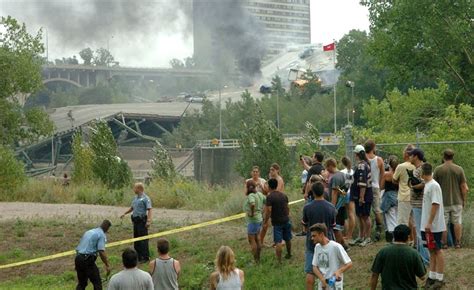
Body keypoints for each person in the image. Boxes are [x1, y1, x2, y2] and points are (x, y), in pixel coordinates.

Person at [302, 182, 337, 290]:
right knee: (329, 271)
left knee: (310, 271)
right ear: (324, 191)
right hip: (327, 242)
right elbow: (333, 225)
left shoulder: (307, 207)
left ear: (312, 192)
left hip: (311, 242)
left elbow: (304, 223)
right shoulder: (331, 207)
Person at [370, 224, 426, 290]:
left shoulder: (383, 252)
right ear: (408, 237)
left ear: (394, 236)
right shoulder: (414, 253)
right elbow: (422, 277)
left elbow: (374, 274)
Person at [433, 149, 469, 248]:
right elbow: (463, 186)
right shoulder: (459, 169)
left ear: (443, 156)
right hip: (457, 200)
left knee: (443, 223)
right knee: (457, 222)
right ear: (453, 157)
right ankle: (457, 243)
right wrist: (463, 200)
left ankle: (444, 244)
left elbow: (434, 186)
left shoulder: (438, 169)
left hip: (443, 201)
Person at [420, 162, 447, 289]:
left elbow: (435, 204)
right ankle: (432, 276)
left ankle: (440, 278)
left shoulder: (434, 186)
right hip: (426, 224)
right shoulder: (427, 185)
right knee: (431, 250)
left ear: (423, 173)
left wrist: (430, 222)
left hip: (433, 225)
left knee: (437, 249)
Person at [311, 223, 352, 290]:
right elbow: (314, 267)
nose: (312, 238)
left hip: (335, 285)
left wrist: (339, 271)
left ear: (321, 234)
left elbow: (349, 263)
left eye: (314, 236)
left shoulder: (336, 247)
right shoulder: (317, 247)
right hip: (322, 285)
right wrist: (322, 279)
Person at [121, 182, 153, 263]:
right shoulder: (135, 198)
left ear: (139, 189)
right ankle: (138, 256)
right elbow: (132, 208)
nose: (133, 189)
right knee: (137, 240)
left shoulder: (146, 198)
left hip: (142, 221)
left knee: (143, 239)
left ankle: (145, 257)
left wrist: (149, 221)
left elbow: (149, 209)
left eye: (135, 188)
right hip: (135, 222)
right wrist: (125, 213)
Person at [75, 220, 112, 290]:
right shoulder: (101, 235)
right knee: (97, 283)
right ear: (107, 228)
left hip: (78, 258)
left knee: (82, 283)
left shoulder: (89, 232)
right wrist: (107, 265)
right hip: (87, 260)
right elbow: (101, 251)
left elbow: (79, 247)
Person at [408, 148, 430, 265]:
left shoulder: (421, 168)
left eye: (411, 155)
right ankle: (422, 256)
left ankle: (424, 259)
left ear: (416, 156)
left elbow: (423, 183)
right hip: (418, 204)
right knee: (420, 231)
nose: (409, 157)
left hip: (420, 204)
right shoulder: (419, 168)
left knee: (421, 232)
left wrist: (413, 186)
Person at [348, 145, 373, 247]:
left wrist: (362, 197)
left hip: (364, 196)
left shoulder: (362, 166)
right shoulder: (364, 164)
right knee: (360, 216)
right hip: (359, 195)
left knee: (365, 216)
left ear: (357, 154)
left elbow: (362, 183)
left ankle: (367, 237)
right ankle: (361, 236)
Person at [264, 178, 292, 263]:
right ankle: (289, 254)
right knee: (288, 239)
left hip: (277, 222)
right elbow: (287, 208)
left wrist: (266, 220)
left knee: (278, 241)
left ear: (269, 186)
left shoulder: (269, 197)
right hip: (286, 219)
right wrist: (287, 215)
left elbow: (269, 210)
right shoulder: (284, 195)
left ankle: (279, 261)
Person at [325, 158, 350, 250]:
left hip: (337, 206)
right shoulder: (345, 175)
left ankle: (338, 248)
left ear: (331, 165)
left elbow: (335, 193)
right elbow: (345, 190)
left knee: (336, 228)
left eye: (327, 167)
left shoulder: (335, 177)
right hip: (343, 204)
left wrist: (332, 207)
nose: (327, 170)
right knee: (340, 225)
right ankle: (345, 245)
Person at [364, 140, 385, 241]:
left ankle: (365, 233)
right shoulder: (379, 160)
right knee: (377, 210)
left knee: (365, 211)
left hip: (364, 186)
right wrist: (380, 186)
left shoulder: (363, 159)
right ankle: (379, 230)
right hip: (375, 186)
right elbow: (383, 174)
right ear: (373, 148)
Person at [260, 163, 284, 245]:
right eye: (270, 170)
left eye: (273, 170)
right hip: (269, 202)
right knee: (265, 221)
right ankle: (261, 241)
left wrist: (268, 189)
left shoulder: (279, 180)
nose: (271, 171)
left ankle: (278, 241)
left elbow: (276, 192)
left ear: (277, 170)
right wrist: (263, 185)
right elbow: (266, 192)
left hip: (276, 204)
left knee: (276, 223)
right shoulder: (271, 179)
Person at [243, 179, 266, 263]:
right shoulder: (260, 194)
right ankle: (258, 259)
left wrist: (252, 213)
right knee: (258, 239)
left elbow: (252, 204)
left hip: (253, 221)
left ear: (249, 188)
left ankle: (256, 260)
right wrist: (262, 211)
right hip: (259, 219)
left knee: (251, 240)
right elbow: (267, 201)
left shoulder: (251, 196)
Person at [392, 144, 415, 226]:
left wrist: (401, 182)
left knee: (402, 222)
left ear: (406, 154)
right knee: (415, 222)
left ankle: (402, 238)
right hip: (416, 196)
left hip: (404, 196)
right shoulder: (417, 166)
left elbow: (394, 180)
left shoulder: (401, 166)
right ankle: (415, 239)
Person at [380, 156, 399, 242]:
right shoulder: (399, 174)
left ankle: (393, 238)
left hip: (389, 196)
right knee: (396, 217)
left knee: (390, 218)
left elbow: (381, 186)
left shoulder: (386, 174)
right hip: (398, 195)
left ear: (389, 165)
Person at [340, 156, 355, 241]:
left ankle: (344, 233)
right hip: (351, 193)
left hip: (344, 193)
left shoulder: (341, 172)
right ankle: (350, 234)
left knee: (343, 215)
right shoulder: (353, 171)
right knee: (351, 215)